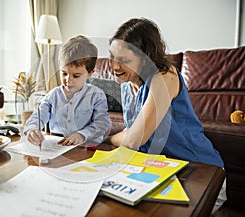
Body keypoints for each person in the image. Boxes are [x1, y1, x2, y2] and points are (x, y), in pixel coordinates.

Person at [105, 18, 226, 212]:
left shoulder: (165, 76)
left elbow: (135, 138)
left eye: (124, 61)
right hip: (157, 171)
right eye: (112, 57)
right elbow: (131, 131)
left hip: (199, 172)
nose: (114, 67)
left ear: (146, 59)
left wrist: (110, 138)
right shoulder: (127, 86)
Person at [24, 35, 111, 146]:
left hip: (86, 147)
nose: (68, 80)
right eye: (64, 73)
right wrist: (32, 129)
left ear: (90, 73)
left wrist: (81, 135)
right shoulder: (52, 96)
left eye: (76, 75)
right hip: (58, 146)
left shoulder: (97, 96)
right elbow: (38, 116)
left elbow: (102, 123)